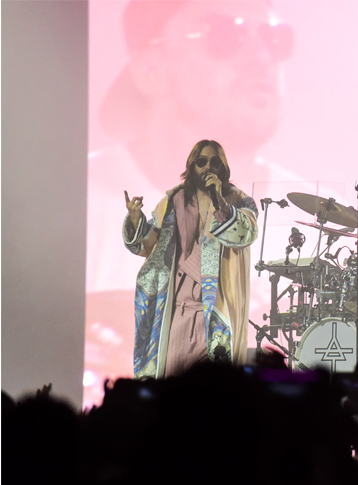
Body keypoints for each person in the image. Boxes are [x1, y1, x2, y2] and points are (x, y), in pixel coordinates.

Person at [85, 0, 296, 402]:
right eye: (226, 35)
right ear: (150, 70)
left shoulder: (315, 215)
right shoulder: (76, 203)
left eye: (275, 39)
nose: (261, 57)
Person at [124, 140, 258, 378]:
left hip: (216, 311)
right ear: (192, 165)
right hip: (178, 310)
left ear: (223, 167)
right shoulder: (172, 201)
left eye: (215, 162)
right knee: (174, 384)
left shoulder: (239, 201)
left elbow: (245, 233)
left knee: (214, 386)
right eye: (202, 162)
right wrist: (136, 221)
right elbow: (150, 246)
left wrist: (220, 202)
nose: (208, 167)